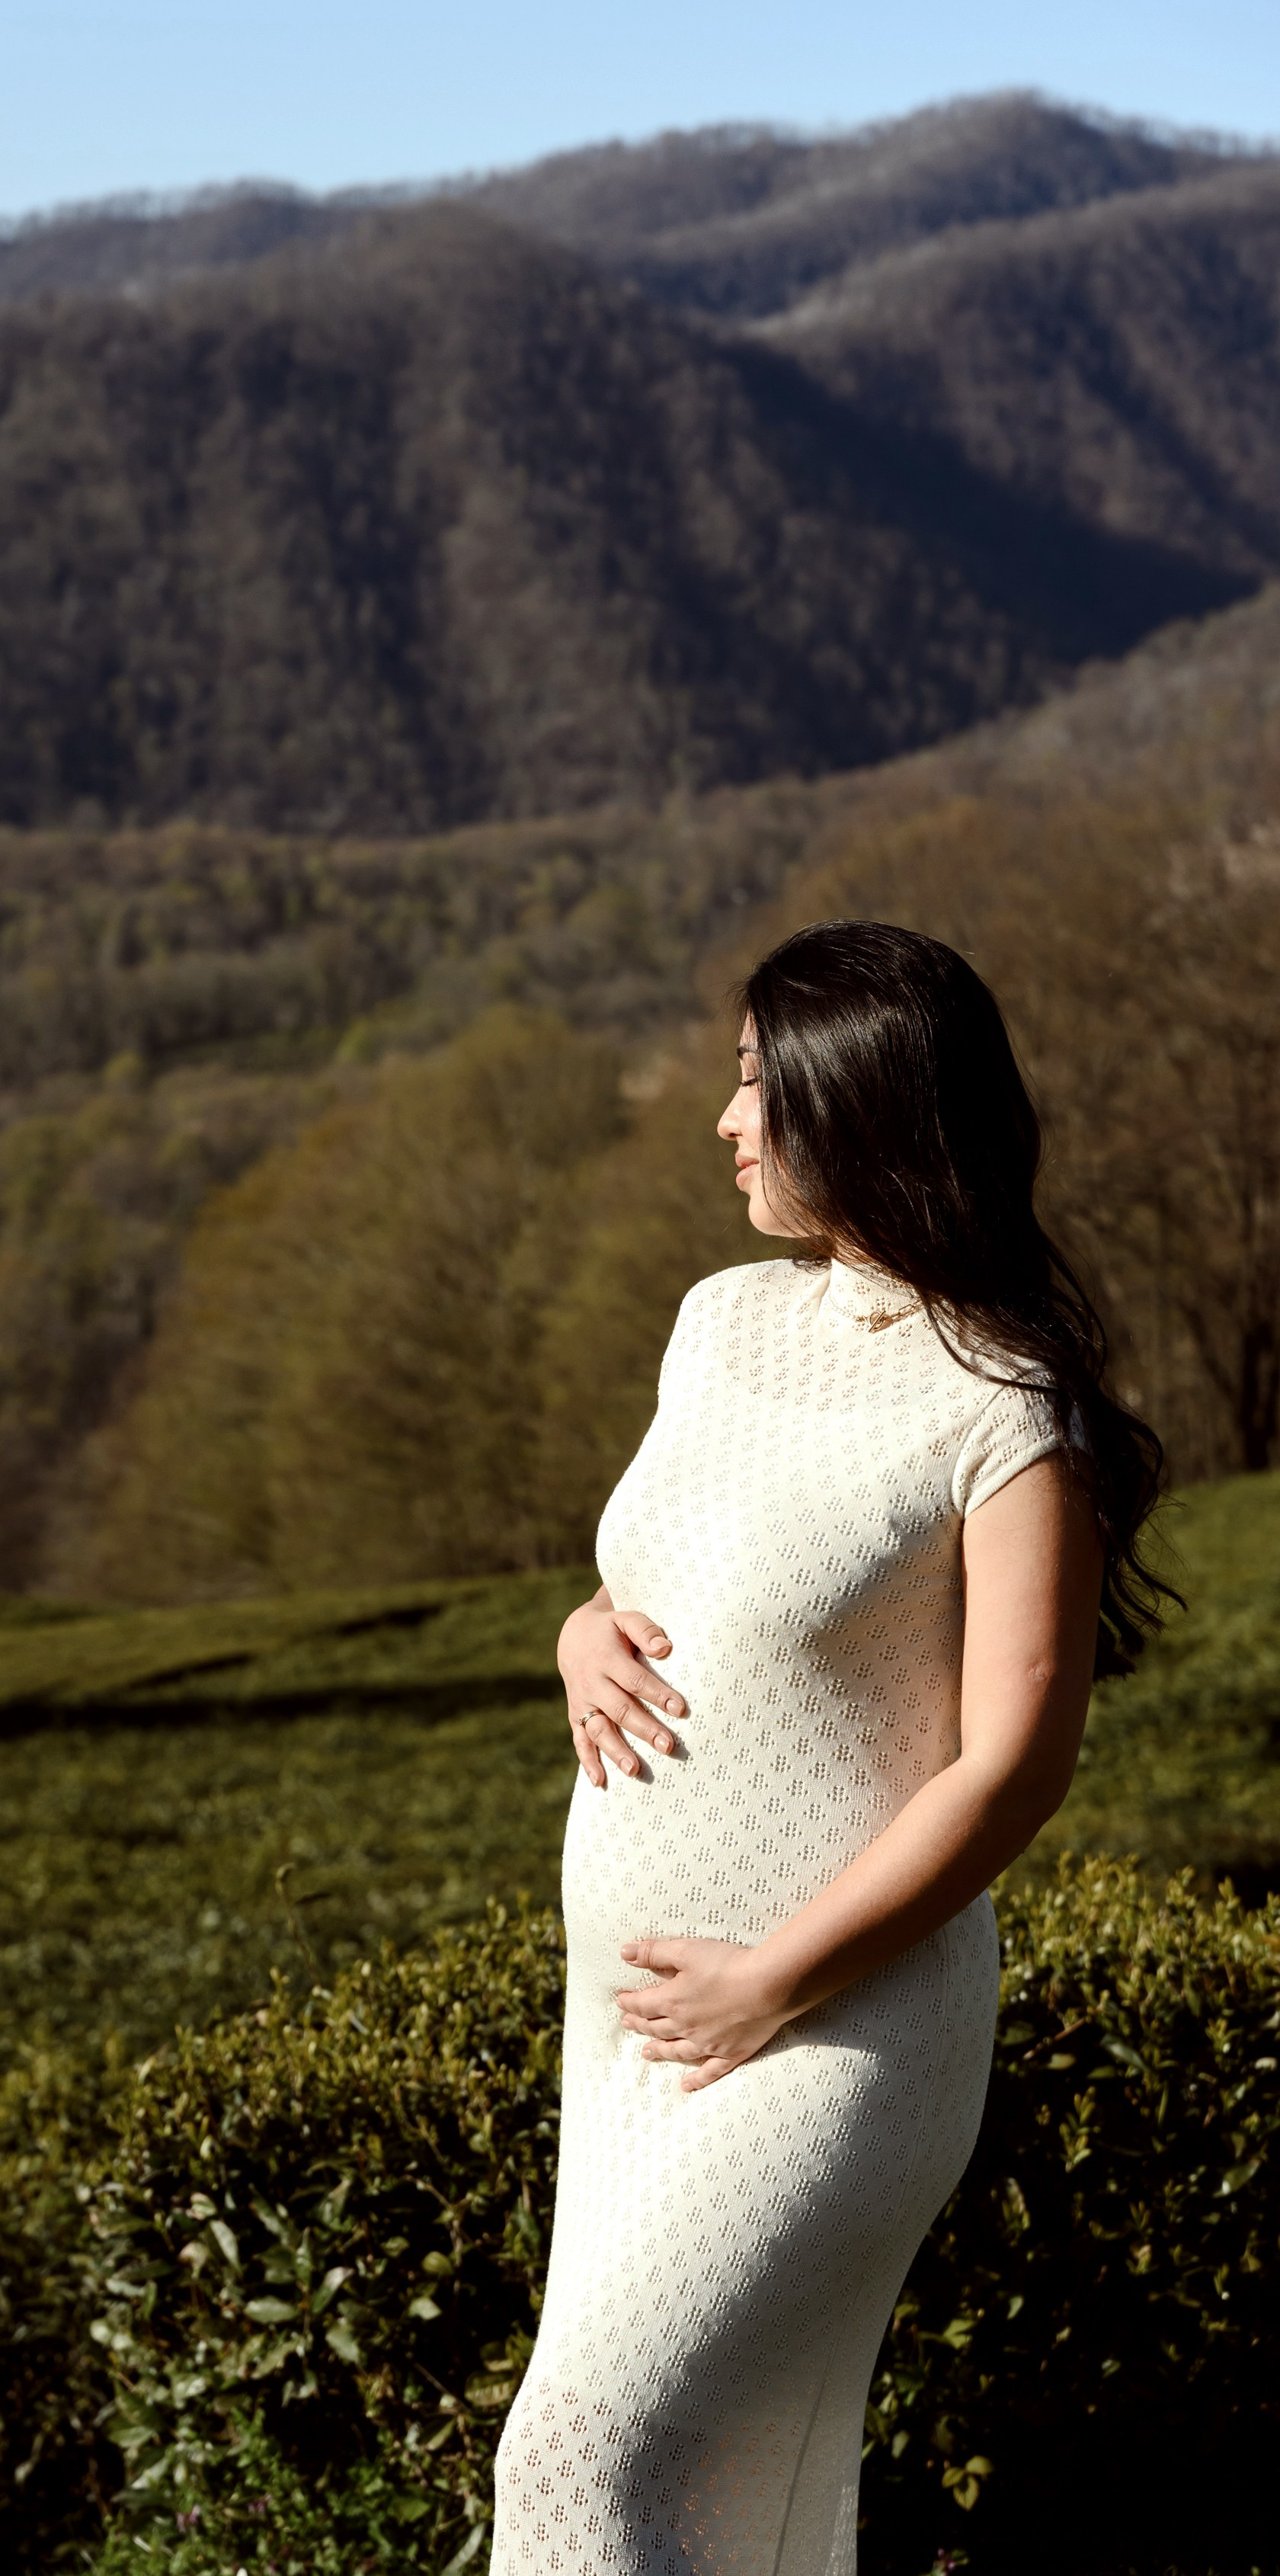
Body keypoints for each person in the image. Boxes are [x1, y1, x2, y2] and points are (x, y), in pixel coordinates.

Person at [490, 920, 1167, 2576]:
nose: (727, 1122)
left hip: (839, 2029)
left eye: (752, 1085)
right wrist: (582, 1627)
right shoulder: (719, 1324)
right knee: (698, 2504)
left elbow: (1014, 1766)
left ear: (853, 1103)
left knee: (577, 2450)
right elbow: (675, 1570)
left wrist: (774, 1980)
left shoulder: (1010, 1412)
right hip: (642, 2029)